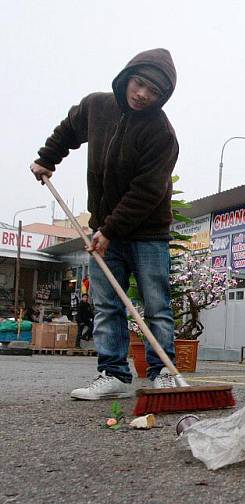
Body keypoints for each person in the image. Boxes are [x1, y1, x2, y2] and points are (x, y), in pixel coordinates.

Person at [30, 49, 179, 400]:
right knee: (106, 305)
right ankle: (114, 374)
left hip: (147, 233)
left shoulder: (162, 134)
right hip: (102, 228)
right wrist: (47, 158)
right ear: (127, 77)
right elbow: (68, 130)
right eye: (139, 83)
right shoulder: (96, 106)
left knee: (156, 305)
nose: (142, 94)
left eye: (153, 91)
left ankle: (163, 374)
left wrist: (109, 231)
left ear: (162, 97)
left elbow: (147, 192)